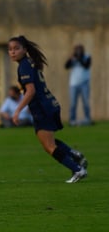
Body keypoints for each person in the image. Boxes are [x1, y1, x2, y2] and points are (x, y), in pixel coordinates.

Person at [8, 36, 88, 183]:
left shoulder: (24, 65)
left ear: (24, 49)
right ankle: (75, 155)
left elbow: (30, 91)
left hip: (43, 108)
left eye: (16, 48)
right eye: (10, 49)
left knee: (49, 146)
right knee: (48, 141)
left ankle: (78, 169)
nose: (12, 52)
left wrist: (18, 110)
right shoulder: (30, 62)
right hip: (49, 104)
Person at [65, 44, 92, 126]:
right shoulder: (73, 58)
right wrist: (71, 59)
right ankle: (72, 120)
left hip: (84, 83)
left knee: (86, 102)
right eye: (77, 50)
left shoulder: (87, 57)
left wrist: (79, 58)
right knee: (73, 103)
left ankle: (88, 119)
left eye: (80, 50)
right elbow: (66, 66)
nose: (78, 52)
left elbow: (86, 65)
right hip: (73, 83)